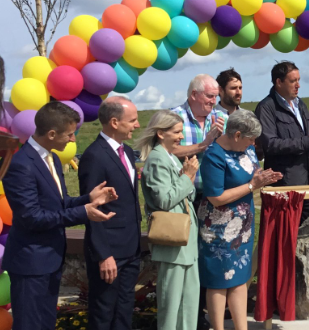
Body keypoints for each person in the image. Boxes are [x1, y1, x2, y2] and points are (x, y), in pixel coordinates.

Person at [3, 102, 117, 330]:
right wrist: (84, 213)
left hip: (50, 259)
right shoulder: (21, 165)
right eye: (70, 134)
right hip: (30, 264)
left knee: (46, 323)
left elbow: (59, 203)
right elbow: (32, 217)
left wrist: (89, 198)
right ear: (52, 134)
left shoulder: (52, 159)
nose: (73, 140)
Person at [198, 110, 282, 330]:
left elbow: (252, 173)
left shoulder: (245, 149)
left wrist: (264, 177)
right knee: (219, 281)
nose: (253, 143)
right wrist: (252, 186)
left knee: (240, 278)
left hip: (242, 227)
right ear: (236, 135)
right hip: (219, 228)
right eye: (250, 139)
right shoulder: (214, 156)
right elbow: (216, 198)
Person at [78, 96, 142, 330]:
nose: (137, 125)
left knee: (124, 313)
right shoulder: (95, 156)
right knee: (104, 314)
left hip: (130, 249)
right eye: (132, 120)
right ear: (114, 122)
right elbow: (91, 210)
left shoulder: (125, 151)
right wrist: (103, 254)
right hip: (109, 253)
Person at [171, 73, 226, 329]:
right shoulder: (174, 118)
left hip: (216, 197)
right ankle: (188, 315)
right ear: (194, 95)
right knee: (189, 254)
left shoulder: (222, 116)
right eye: (210, 96)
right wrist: (204, 144)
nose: (214, 102)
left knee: (211, 254)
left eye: (216, 96)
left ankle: (205, 311)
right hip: (186, 198)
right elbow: (168, 151)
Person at [137, 110, 201, 330]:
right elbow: (164, 200)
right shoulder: (157, 159)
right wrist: (186, 177)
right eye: (176, 132)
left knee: (189, 302)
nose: (181, 137)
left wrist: (187, 177)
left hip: (186, 240)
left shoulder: (171, 157)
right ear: (160, 133)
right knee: (172, 304)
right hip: (172, 240)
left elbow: (187, 195)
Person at [255, 61, 309, 224]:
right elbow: (271, 144)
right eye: (293, 81)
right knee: (286, 236)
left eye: (299, 80)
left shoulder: (300, 104)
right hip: (286, 186)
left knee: (308, 235)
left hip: (308, 182)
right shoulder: (266, 108)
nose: (298, 85)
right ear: (279, 82)